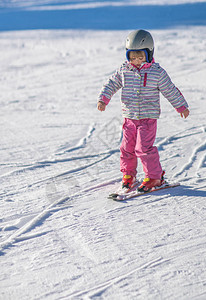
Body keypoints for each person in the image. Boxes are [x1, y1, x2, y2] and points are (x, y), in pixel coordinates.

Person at [97, 29, 189, 192]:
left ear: (149, 54)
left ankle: (154, 177)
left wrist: (180, 105)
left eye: (140, 57)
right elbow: (111, 84)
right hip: (129, 117)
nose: (137, 61)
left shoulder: (156, 72)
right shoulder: (124, 70)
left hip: (148, 118)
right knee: (127, 147)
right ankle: (128, 174)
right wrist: (104, 99)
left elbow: (170, 89)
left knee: (143, 148)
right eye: (132, 57)